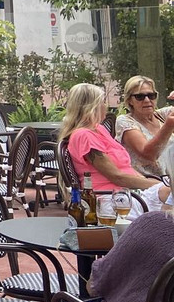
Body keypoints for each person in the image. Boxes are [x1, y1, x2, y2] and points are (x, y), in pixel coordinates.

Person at [59, 83, 169, 211]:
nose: (105, 106)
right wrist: (158, 185)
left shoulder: (98, 129)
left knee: (168, 195)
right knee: (169, 194)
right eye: (102, 102)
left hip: (128, 193)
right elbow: (117, 177)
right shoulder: (84, 136)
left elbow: (125, 170)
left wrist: (154, 184)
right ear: (92, 107)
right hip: (111, 199)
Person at [114, 75, 174, 179]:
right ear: (129, 100)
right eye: (140, 97)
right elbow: (148, 155)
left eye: (151, 95)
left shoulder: (162, 115)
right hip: (149, 182)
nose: (147, 100)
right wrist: (168, 126)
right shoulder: (125, 121)